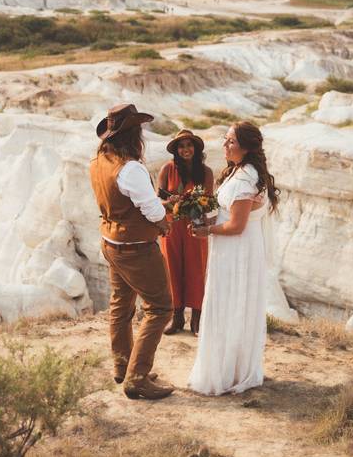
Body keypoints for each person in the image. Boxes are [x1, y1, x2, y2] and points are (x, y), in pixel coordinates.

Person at [89, 103, 175, 400]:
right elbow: (149, 209)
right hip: (136, 248)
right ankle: (137, 378)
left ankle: (122, 366)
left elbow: (123, 203)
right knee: (160, 308)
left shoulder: (99, 161)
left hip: (111, 242)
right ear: (133, 134)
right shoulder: (131, 168)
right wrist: (164, 223)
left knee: (121, 306)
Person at [187, 121, 280, 395]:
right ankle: (230, 366)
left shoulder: (245, 179)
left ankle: (229, 372)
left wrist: (207, 230)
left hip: (237, 251)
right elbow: (229, 215)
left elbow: (237, 226)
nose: (224, 145)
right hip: (230, 248)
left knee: (231, 303)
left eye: (230, 141)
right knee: (227, 302)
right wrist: (206, 218)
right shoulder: (238, 172)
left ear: (247, 147)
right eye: (225, 140)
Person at [157, 130, 214, 336]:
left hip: (195, 227)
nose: (185, 149)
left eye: (189, 145)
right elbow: (158, 201)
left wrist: (193, 204)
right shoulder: (167, 169)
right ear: (176, 150)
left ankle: (197, 321)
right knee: (172, 270)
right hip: (171, 227)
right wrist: (171, 202)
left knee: (196, 270)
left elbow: (208, 203)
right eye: (181, 146)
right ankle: (177, 318)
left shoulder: (206, 172)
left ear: (196, 148)